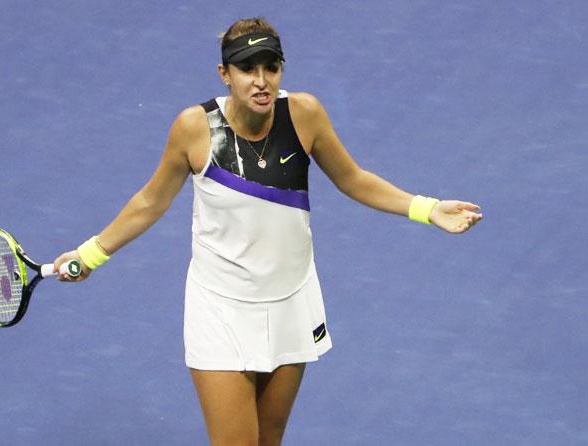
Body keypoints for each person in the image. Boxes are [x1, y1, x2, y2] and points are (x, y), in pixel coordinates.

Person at [53, 17, 482, 446]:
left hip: (292, 302)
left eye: (271, 68)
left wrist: (427, 209)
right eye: (247, 69)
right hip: (219, 309)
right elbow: (151, 201)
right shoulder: (193, 128)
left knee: (267, 440)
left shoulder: (305, 114)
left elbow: (353, 179)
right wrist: (90, 254)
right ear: (225, 74)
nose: (261, 82)